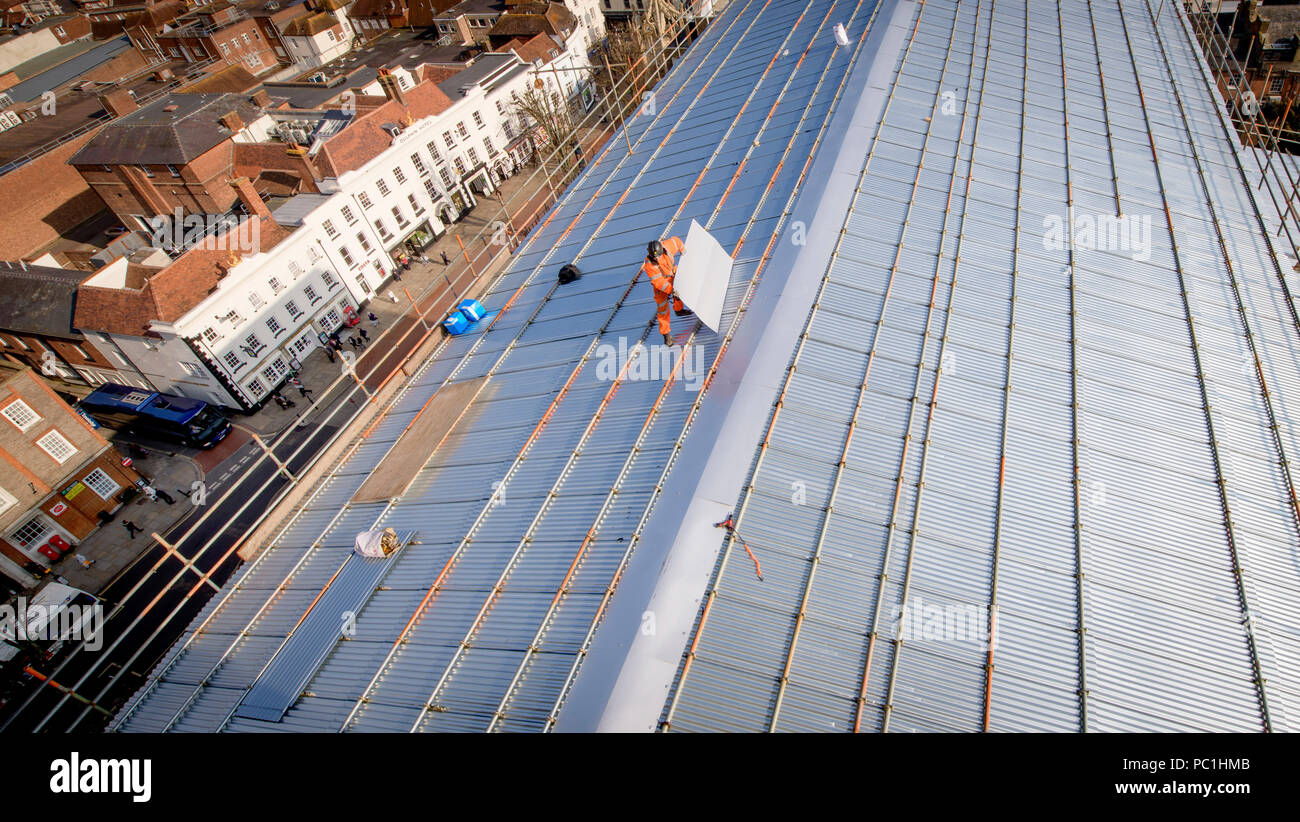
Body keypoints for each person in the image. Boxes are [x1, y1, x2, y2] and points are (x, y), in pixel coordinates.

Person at [642, 237, 688, 346]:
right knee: (662, 309)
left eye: (658, 256)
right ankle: (666, 335)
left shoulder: (667, 246)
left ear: (662, 250)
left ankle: (679, 310)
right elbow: (659, 282)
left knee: (678, 294)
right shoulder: (649, 265)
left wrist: (684, 252)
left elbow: (677, 242)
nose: (657, 259)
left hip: (671, 275)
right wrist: (671, 290)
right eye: (655, 257)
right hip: (661, 286)